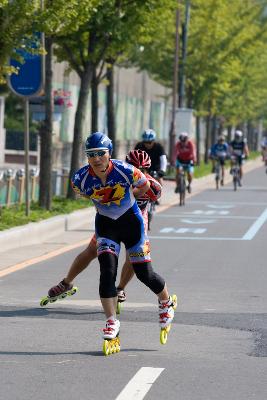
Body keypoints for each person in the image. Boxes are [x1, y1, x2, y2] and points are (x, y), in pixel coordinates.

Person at [70, 132, 175, 341]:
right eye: (91, 154)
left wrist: (127, 196)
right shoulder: (79, 178)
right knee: (107, 270)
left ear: (109, 153)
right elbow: (81, 193)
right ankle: (111, 321)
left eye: (101, 153)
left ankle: (166, 302)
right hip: (106, 225)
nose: (97, 158)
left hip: (131, 223)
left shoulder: (126, 170)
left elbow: (147, 186)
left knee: (145, 273)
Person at [47, 149, 162, 306]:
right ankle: (66, 282)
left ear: (147, 170)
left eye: (142, 170)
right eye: (134, 167)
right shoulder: (117, 176)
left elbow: (154, 195)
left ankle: (120, 288)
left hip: (136, 221)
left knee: (133, 258)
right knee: (91, 251)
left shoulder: (151, 186)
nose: (138, 171)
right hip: (111, 221)